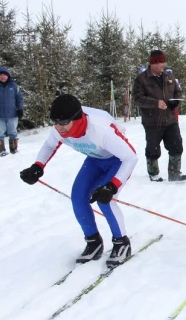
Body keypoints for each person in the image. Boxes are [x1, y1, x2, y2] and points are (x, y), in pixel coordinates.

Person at [19, 94, 137, 267]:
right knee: (78, 197)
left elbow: (130, 157)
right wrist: (38, 166)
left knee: (106, 201)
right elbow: (50, 145)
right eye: (55, 122)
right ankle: (93, 242)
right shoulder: (61, 127)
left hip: (117, 160)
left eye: (64, 122)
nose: (59, 127)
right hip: (95, 159)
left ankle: (121, 242)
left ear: (77, 118)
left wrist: (112, 186)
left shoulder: (100, 129)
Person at [133, 50, 186, 182]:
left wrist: (175, 102)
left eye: (164, 62)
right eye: (160, 62)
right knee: (153, 148)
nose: (163, 65)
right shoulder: (141, 79)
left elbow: (178, 92)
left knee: (177, 146)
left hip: (170, 120)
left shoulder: (169, 77)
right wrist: (155, 103)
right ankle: (153, 173)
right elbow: (137, 99)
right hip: (152, 121)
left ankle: (175, 174)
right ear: (153, 63)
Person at [0, 66, 24, 156]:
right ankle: (1, 150)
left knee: (13, 132)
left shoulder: (14, 86)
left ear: (8, 76)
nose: (3, 77)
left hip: (12, 114)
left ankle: (14, 149)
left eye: (4, 75)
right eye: (1, 75)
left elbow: (19, 98)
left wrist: (20, 109)